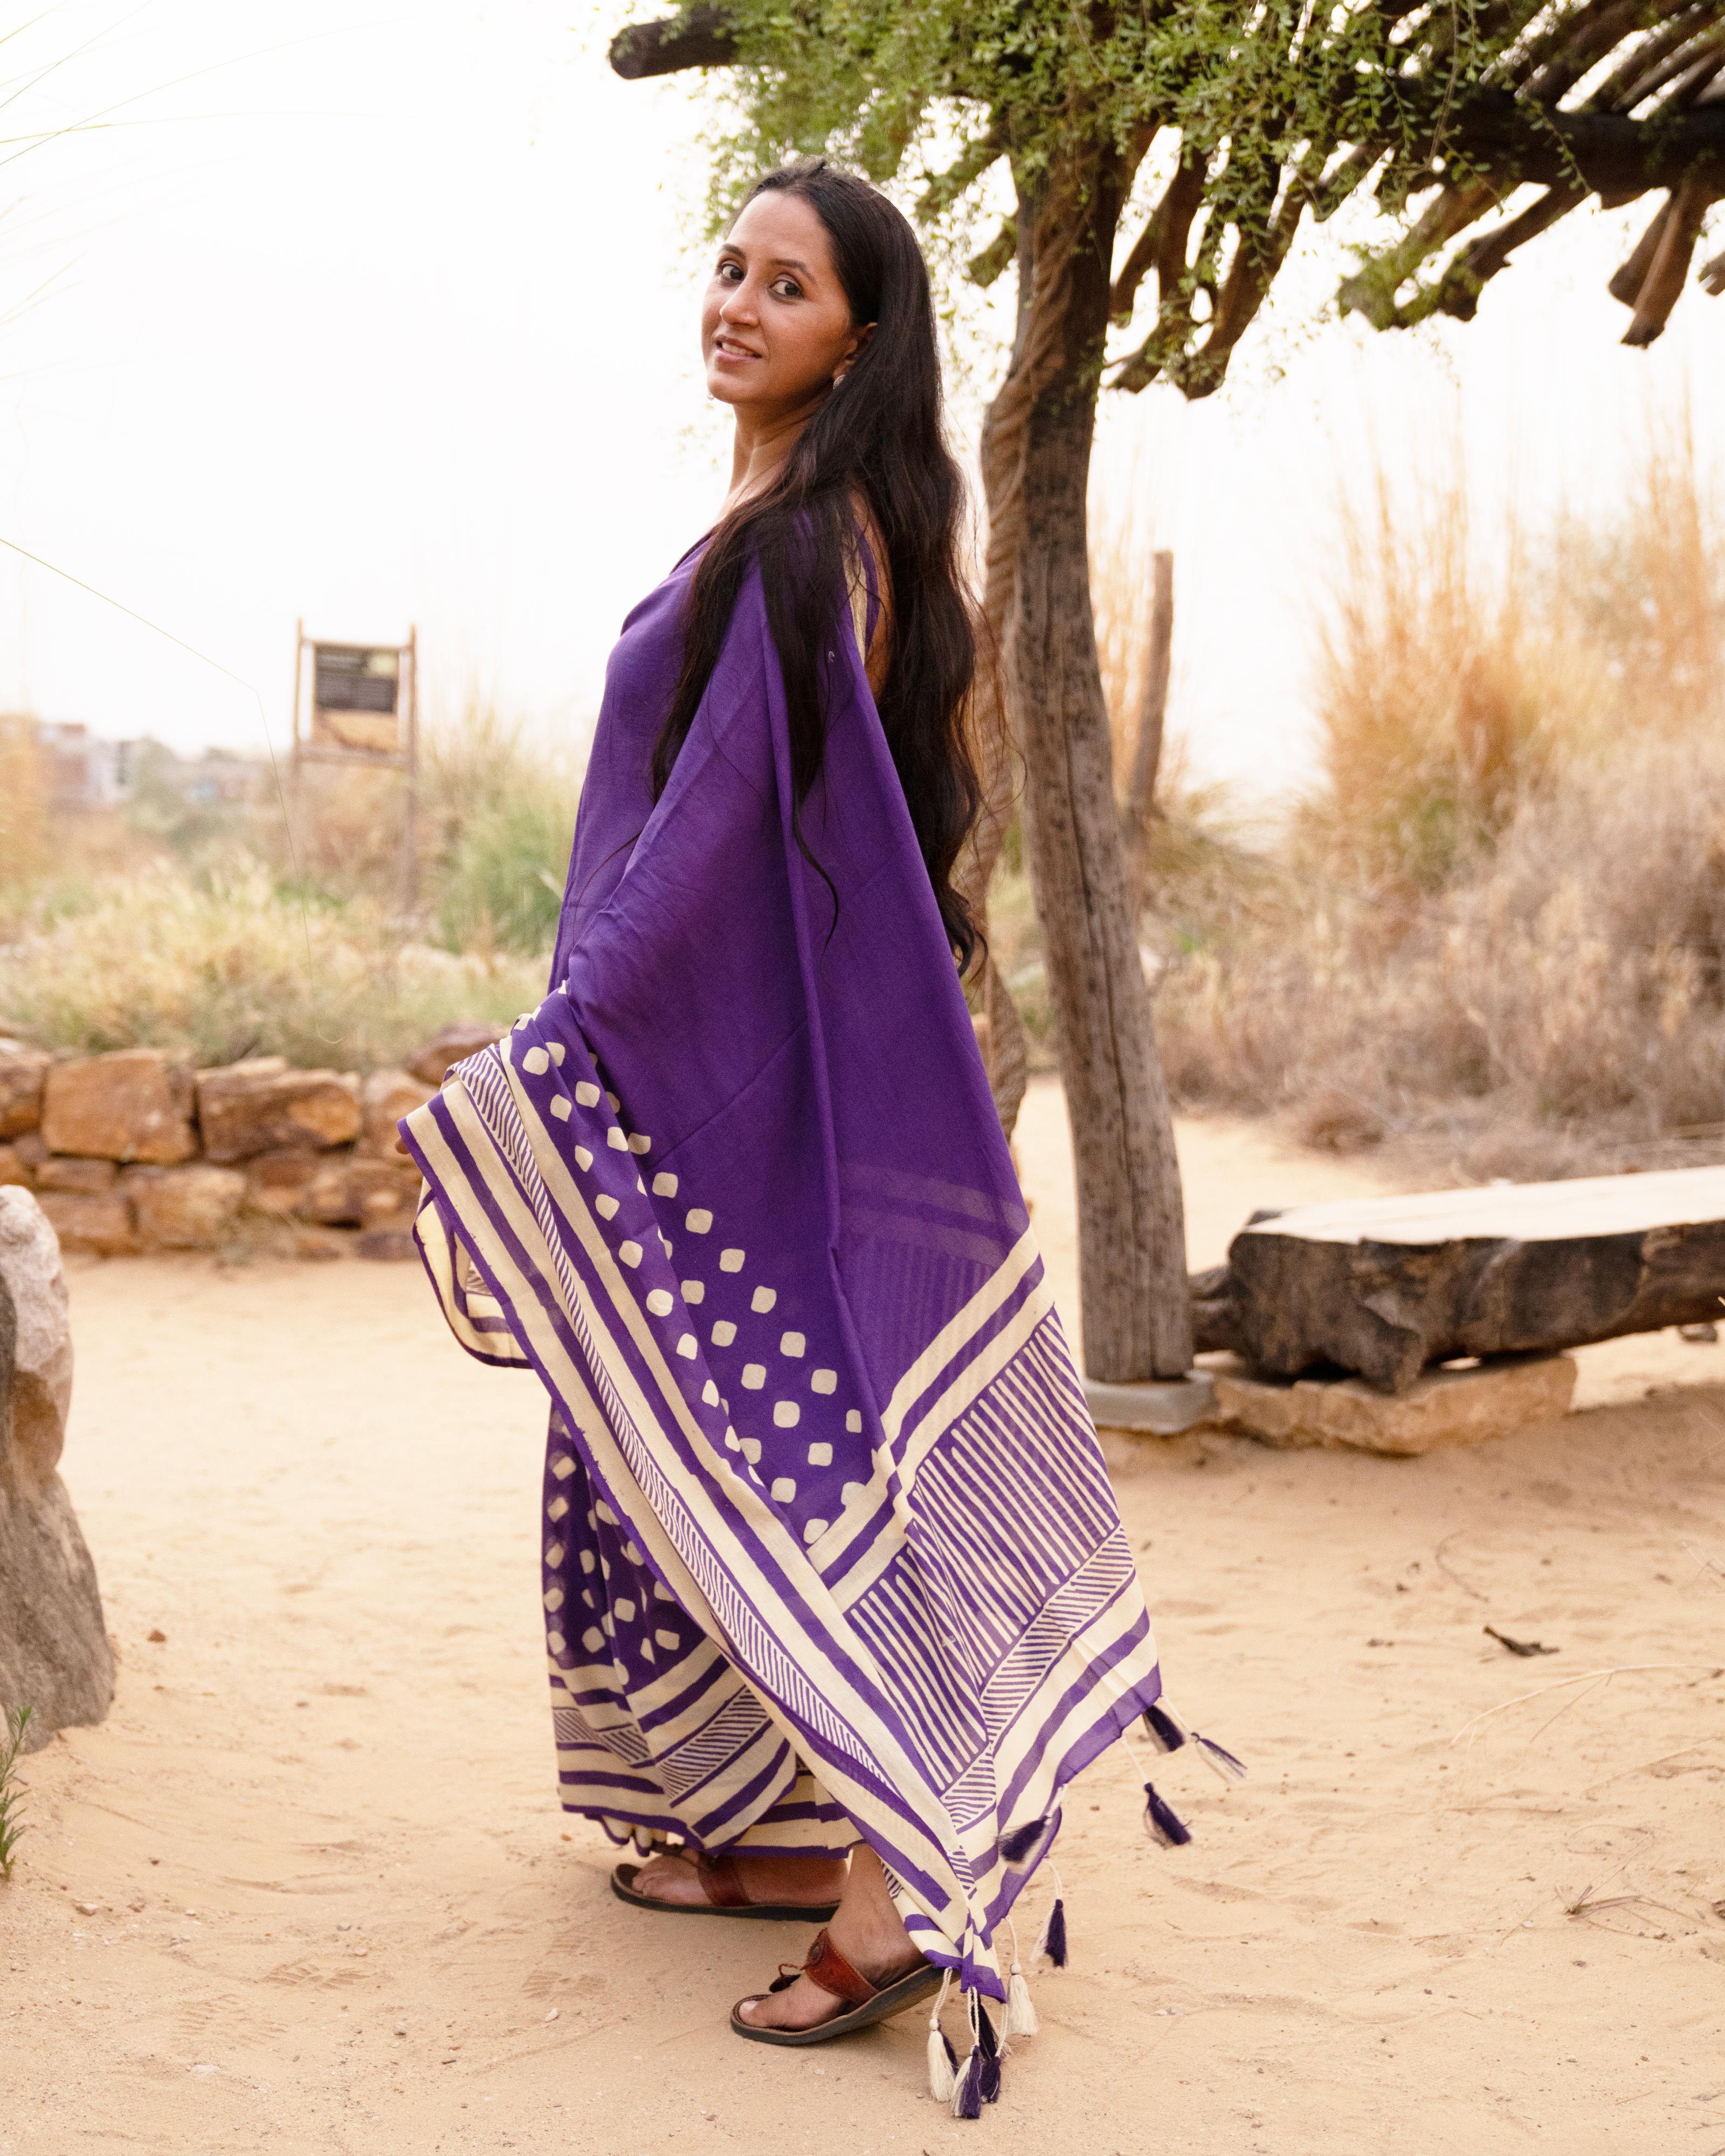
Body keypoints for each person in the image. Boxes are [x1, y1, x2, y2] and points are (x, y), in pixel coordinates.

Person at [401, 157, 1183, 2100]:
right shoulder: (807, 527)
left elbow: (722, 846)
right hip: (795, 1083)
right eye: (729, 269)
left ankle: (893, 1886)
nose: (740, 303)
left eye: (792, 285)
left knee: (809, 1449)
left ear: (862, 339)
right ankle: (775, 1828)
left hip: (753, 1088)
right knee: (722, 1440)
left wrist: (563, 1048)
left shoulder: (806, 548)